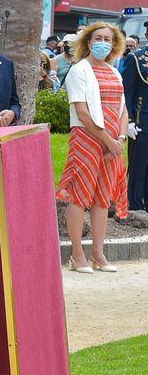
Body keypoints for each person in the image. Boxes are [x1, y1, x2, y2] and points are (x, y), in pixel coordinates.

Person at [60, 22, 130, 274]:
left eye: (108, 39)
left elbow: (123, 110)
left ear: (114, 44)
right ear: (89, 42)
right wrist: (106, 140)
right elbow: (82, 112)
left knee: (102, 197)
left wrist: (120, 138)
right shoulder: (79, 70)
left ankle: (98, 254)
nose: (103, 43)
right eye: (98, 38)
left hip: (113, 141)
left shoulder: (115, 72)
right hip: (87, 138)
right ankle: (77, 255)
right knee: (81, 195)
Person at [123, 32, 148, 212]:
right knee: (140, 166)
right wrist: (129, 121)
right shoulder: (136, 58)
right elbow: (127, 92)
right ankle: (137, 206)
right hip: (142, 122)